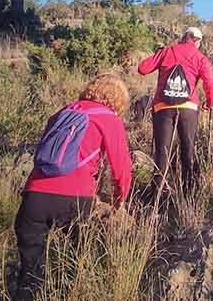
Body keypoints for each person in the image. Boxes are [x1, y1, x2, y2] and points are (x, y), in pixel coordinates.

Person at [15, 74, 133, 301]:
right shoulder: (109, 119)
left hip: (34, 197)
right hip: (75, 199)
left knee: (29, 275)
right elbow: (122, 168)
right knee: (77, 263)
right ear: (118, 101)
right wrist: (120, 201)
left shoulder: (62, 113)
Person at [137, 26, 213, 191]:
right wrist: (210, 103)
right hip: (188, 107)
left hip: (162, 107)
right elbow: (210, 84)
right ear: (198, 41)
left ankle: (156, 198)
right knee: (188, 150)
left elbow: (143, 68)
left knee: (162, 152)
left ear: (183, 37)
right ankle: (189, 194)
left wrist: (159, 53)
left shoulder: (167, 52)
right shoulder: (200, 57)